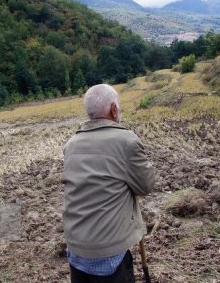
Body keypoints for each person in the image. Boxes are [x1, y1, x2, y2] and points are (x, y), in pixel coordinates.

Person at [62, 84, 158, 283]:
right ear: (114, 109)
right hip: (108, 253)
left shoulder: (71, 144)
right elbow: (145, 186)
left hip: (75, 247)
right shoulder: (126, 141)